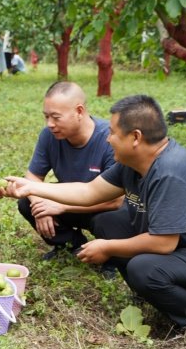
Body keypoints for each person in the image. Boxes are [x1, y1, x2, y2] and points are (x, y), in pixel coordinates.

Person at [6, 95, 186, 332]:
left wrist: (108, 248)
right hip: (183, 253)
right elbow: (90, 192)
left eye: (112, 133)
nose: (108, 139)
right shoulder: (131, 164)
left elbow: (163, 243)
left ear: (135, 137)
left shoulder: (169, 173)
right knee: (110, 223)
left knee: (144, 268)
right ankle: (150, 292)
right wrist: (32, 187)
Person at [19, 81, 122, 263]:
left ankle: (112, 260)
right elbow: (33, 177)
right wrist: (41, 206)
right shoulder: (48, 136)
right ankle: (70, 246)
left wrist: (62, 207)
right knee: (27, 201)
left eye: (56, 117)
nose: (50, 124)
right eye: (46, 117)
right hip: (69, 198)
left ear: (79, 111)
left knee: (110, 220)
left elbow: (117, 200)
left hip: (101, 206)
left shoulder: (110, 139)